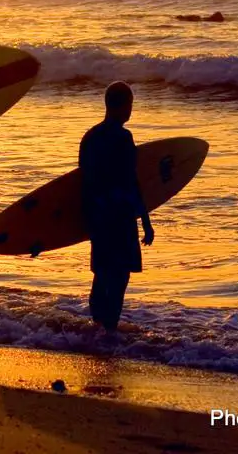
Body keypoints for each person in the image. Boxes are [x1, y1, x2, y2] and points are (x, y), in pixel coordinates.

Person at [78, 81, 153, 331]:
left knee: (102, 272)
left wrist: (86, 218)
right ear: (120, 106)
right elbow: (131, 181)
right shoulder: (122, 137)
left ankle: (97, 325)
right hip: (119, 215)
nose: (131, 110)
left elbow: (84, 181)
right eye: (130, 104)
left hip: (98, 215)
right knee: (120, 275)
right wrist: (145, 221)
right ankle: (109, 327)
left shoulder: (89, 137)